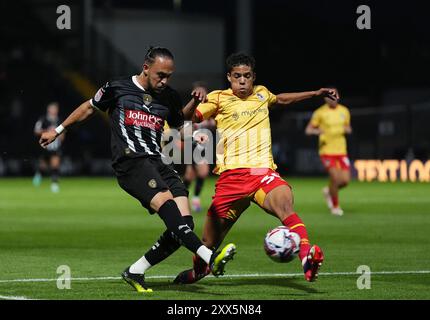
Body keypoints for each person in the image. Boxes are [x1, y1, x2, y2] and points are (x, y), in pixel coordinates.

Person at [39, 46, 236, 293]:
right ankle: (209, 257)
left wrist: (193, 103)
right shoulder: (118, 87)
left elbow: (179, 123)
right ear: (146, 68)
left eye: (169, 76)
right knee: (169, 208)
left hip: (159, 161)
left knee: (184, 223)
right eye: (160, 75)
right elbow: (89, 107)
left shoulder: (169, 96)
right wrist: (57, 130)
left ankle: (136, 271)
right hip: (131, 162)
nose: (164, 81)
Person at [174, 52, 338, 285]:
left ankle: (306, 258)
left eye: (247, 76)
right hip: (231, 179)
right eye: (237, 76)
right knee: (208, 243)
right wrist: (195, 100)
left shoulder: (261, 93)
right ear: (229, 77)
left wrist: (315, 93)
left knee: (285, 206)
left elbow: (281, 99)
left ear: (253, 77)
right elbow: (186, 119)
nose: (242, 81)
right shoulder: (218, 98)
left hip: (263, 173)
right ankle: (198, 272)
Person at [305, 89, 352, 216]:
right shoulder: (320, 112)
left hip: (341, 150)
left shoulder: (344, 111)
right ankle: (335, 207)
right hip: (326, 151)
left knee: (345, 181)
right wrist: (317, 132)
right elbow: (308, 130)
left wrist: (347, 129)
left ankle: (328, 191)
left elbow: (348, 127)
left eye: (335, 96)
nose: (332, 98)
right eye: (329, 96)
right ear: (325, 98)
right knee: (335, 178)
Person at [182, 82, 216, 212]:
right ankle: (194, 199)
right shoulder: (191, 110)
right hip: (193, 145)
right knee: (203, 171)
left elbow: (213, 124)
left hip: (204, 147)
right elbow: (185, 126)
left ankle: (182, 197)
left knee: (189, 176)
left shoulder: (209, 110)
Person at [33, 102, 64, 193]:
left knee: (55, 164)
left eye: (56, 109)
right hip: (46, 145)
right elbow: (36, 131)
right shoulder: (43, 120)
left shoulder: (59, 120)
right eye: (53, 109)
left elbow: (63, 131)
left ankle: (54, 184)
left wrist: (61, 138)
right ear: (49, 110)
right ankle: (39, 174)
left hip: (56, 146)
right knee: (44, 165)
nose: (55, 111)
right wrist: (47, 131)